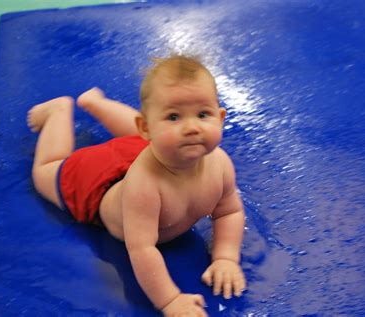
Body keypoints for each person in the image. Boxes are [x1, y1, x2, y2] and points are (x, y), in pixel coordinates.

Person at [27, 55, 246, 316]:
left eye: (202, 114)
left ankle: (97, 103)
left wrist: (226, 258)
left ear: (220, 118)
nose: (191, 127)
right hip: (97, 184)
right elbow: (142, 248)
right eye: (174, 116)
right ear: (146, 127)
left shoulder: (219, 164)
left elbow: (229, 211)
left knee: (140, 139)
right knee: (46, 170)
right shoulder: (145, 186)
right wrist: (170, 300)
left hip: (148, 151)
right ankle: (58, 111)